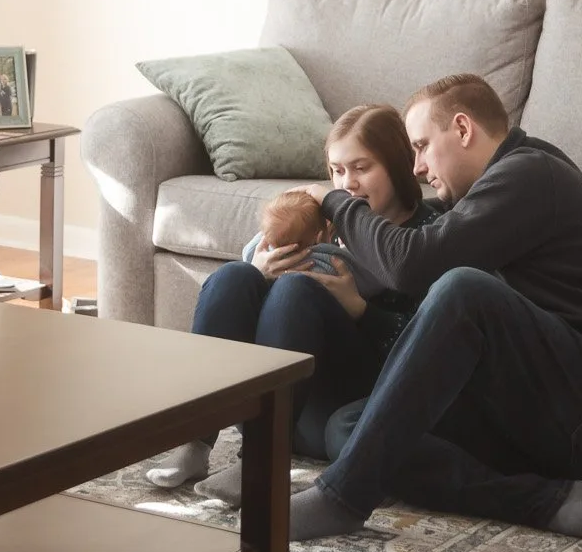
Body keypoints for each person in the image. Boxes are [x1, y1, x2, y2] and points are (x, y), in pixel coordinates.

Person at [286, 73, 582, 544]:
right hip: (535, 412)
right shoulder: (482, 196)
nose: (417, 168)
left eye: (423, 146)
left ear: (464, 129)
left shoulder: (532, 173)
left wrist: (337, 201)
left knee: (463, 290)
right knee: (351, 430)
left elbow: (412, 266)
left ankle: (341, 499)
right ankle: (546, 502)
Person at [144, 103, 441, 497]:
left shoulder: (425, 235)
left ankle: (260, 463)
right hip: (287, 402)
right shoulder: (324, 223)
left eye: (362, 167)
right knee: (236, 275)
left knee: (297, 289)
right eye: (337, 171)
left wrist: (359, 308)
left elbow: (430, 348)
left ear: (399, 163)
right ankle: (196, 443)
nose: (347, 183)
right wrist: (261, 271)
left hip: (349, 409)